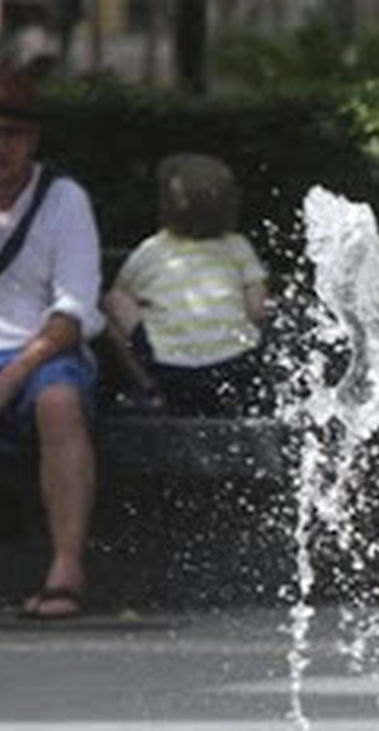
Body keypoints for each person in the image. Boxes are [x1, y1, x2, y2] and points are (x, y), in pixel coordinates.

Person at [0, 67, 103, 619]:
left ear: (32, 140)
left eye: (11, 135)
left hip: (43, 352)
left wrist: (13, 375)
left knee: (59, 404)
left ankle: (66, 567)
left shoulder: (64, 201)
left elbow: (74, 311)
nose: (1, 149)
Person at [101, 153, 268, 417]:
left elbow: (121, 296)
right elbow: (258, 310)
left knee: (113, 300)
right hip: (236, 369)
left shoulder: (151, 251)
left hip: (171, 372)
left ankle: (149, 389)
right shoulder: (237, 247)